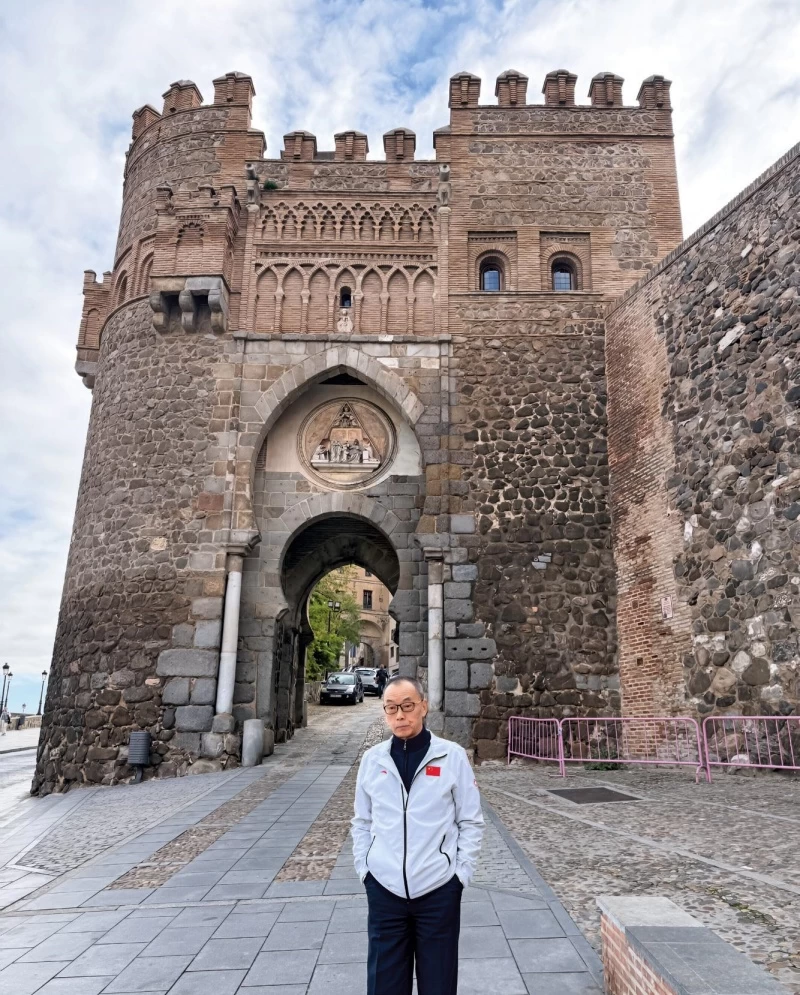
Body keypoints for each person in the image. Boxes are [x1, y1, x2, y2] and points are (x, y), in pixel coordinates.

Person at [352, 676, 484, 995]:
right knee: (384, 986)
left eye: (408, 706)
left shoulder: (452, 757)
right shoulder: (372, 760)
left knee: (438, 985)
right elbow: (362, 821)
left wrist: (459, 877)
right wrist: (365, 871)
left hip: (438, 891)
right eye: (391, 708)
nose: (400, 715)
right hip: (385, 891)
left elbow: (470, 820)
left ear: (423, 707)